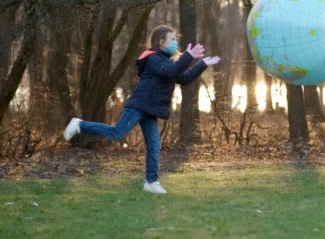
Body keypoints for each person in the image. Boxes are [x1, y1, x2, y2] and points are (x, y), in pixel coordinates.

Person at [63, 25, 220, 194]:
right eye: (172, 39)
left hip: (150, 110)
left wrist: (203, 63)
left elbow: (183, 78)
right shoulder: (153, 59)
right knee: (117, 133)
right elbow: (170, 71)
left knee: (154, 145)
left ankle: (151, 182)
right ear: (161, 42)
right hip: (139, 105)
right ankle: (80, 125)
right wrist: (189, 56)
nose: (176, 43)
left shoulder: (166, 61)